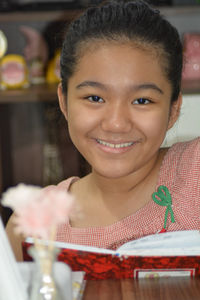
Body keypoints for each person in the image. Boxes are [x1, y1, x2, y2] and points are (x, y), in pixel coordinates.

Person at [6, 0, 200, 260]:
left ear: (173, 109)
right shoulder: (32, 222)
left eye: (142, 100)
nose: (116, 123)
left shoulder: (194, 173)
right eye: (95, 98)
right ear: (64, 101)